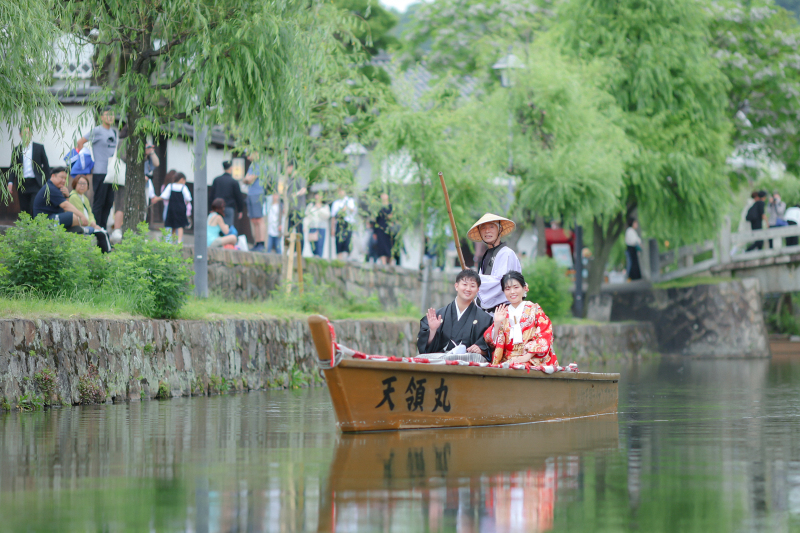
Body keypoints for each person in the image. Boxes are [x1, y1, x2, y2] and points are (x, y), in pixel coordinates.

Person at [482, 271, 558, 367]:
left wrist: (526, 357)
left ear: (524, 288)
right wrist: (497, 324)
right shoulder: (503, 312)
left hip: (532, 359)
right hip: (508, 361)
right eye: (507, 289)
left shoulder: (534, 309)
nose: (512, 292)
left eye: (516, 287)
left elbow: (545, 333)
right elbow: (491, 343)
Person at [417, 269, 493, 358]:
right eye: (464, 284)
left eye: (472, 286)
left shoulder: (485, 320)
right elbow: (424, 348)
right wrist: (432, 330)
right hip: (440, 364)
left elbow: (490, 348)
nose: (468, 289)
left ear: (477, 290)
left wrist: (481, 350)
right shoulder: (439, 315)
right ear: (456, 286)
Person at [467, 213, 522, 313]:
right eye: (483, 228)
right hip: (486, 313)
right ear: (480, 232)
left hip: (503, 312)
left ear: (500, 230)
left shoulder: (507, 253)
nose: (487, 231)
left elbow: (501, 282)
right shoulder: (486, 255)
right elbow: (482, 288)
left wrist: (474, 277)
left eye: (491, 227)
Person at [77, 106, 119, 229]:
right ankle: (94, 229)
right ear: (101, 117)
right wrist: (85, 161)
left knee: (109, 203)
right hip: (100, 172)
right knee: (99, 203)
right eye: (107, 115)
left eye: (112, 115)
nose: (110, 117)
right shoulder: (97, 130)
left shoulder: (113, 132)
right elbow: (80, 142)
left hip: (112, 173)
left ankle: (103, 229)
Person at [8, 126, 50, 218]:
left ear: (31, 134)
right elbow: (13, 167)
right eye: (24, 133)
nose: (26, 135)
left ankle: (37, 227)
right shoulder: (16, 150)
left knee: (34, 205)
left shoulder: (39, 148)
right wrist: (10, 182)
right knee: (24, 208)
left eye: (28, 132)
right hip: (22, 183)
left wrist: (49, 182)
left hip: (36, 182)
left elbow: (46, 166)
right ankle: (26, 229)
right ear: (20, 135)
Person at [67, 175, 112, 253]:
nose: (82, 186)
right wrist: (92, 225)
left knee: (102, 232)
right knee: (102, 234)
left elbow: (90, 214)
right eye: (80, 183)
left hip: (89, 224)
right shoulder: (73, 197)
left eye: (84, 184)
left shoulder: (84, 198)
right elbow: (80, 215)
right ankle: (108, 255)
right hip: (80, 225)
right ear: (75, 184)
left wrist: (94, 223)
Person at [243, 154, 271, 252]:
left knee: (259, 219)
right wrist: (247, 179)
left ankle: (261, 242)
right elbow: (245, 179)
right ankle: (256, 242)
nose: (248, 157)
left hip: (257, 193)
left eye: (249, 154)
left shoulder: (260, 164)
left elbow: (249, 179)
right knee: (254, 220)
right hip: (250, 193)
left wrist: (247, 179)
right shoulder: (252, 165)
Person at [155, 172, 191, 243]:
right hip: (181, 209)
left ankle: (172, 241)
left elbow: (164, 196)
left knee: (172, 225)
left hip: (171, 208)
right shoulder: (183, 187)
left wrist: (156, 198)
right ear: (182, 179)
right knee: (180, 225)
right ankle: (179, 241)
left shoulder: (170, 186)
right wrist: (187, 204)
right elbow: (188, 198)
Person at [211, 161, 244, 227]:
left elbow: (212, 195)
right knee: (228, 227)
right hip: (229, 206)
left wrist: (211, 208)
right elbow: (238, 197)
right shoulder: (233, 182)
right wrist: (240, 210)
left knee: (217, 226)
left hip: (217, 207)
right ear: (231, 168)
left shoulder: (216, 180)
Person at [331, 187, 356, 260]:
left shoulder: (350, 201)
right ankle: (339, 259)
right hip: (339, 223)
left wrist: (346, 208)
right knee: (339, 242)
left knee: (348, 241)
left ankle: (348, 258)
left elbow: (353, 210)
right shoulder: (336, 203)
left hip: (348, 224)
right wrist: (332, 228)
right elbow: (333, 216)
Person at [304, 191, 330, 258]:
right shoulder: (311, 205)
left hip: (321, 227)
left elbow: (327, 215)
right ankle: (314, 257)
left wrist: (319, 208)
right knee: (313, 246)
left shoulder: (325, 206)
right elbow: (307, 216)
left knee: (320, 245)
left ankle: (319, 259)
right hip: (312, 227)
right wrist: (305, 226)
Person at [373, 193, 393, 264]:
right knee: (381, 247)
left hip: (389, 230)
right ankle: (383, 263)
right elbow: (376, 220)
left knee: (389, 247)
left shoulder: (391, 207)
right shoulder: (379, 207)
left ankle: (390, 263)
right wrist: (375, 232)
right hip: (380, 230)